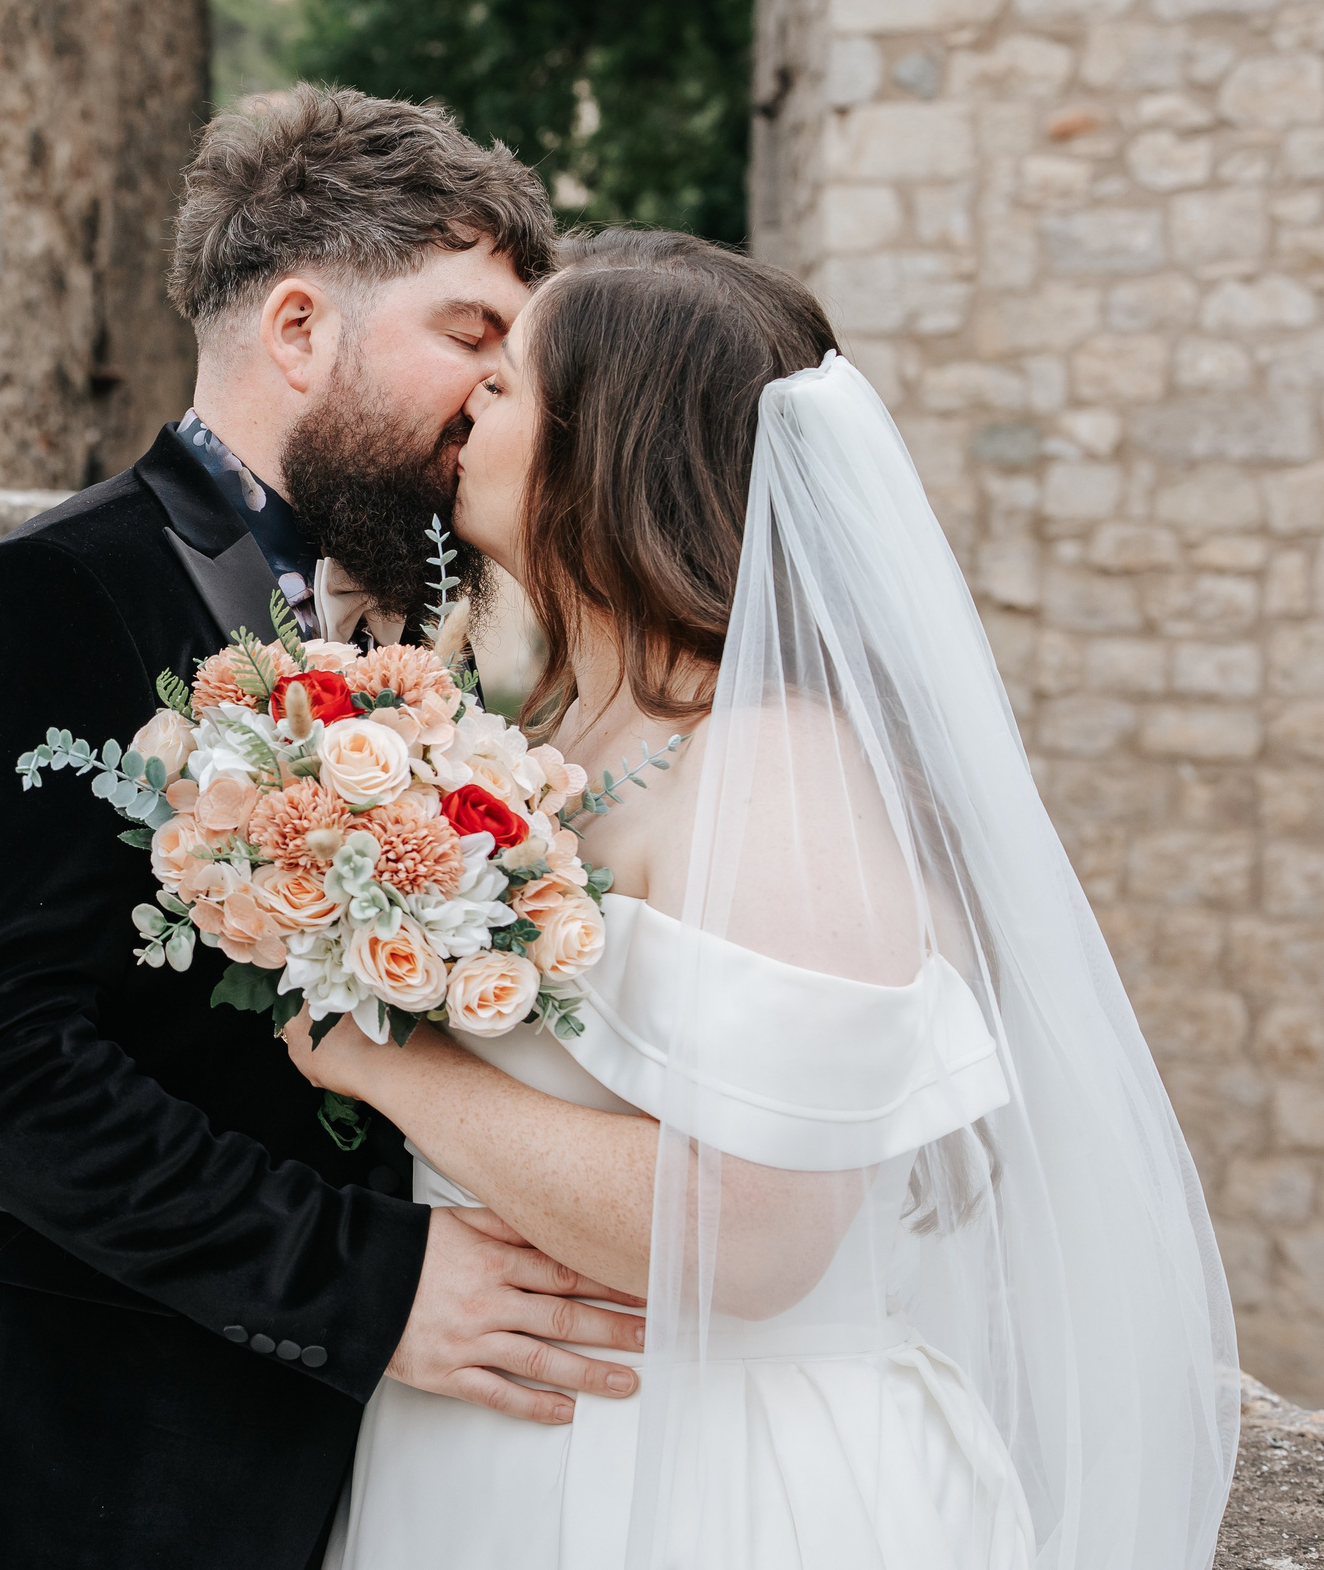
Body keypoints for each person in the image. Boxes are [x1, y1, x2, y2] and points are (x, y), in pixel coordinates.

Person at [286, 233, 1239, 1568]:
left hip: (707, 1485)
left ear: (606, 450)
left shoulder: (782, 768)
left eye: (509, 385)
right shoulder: (562, 735)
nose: (469, 405)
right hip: (495, 1462)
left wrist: (383, 1065)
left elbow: (761, 1231)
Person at [0, 88, 649, 1570]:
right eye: (470, 335)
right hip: (76, 1461)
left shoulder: (421, 638)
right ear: (298, 328)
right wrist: (366, 1285)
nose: (494, 394)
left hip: (344, 1469)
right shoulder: (37, 605)